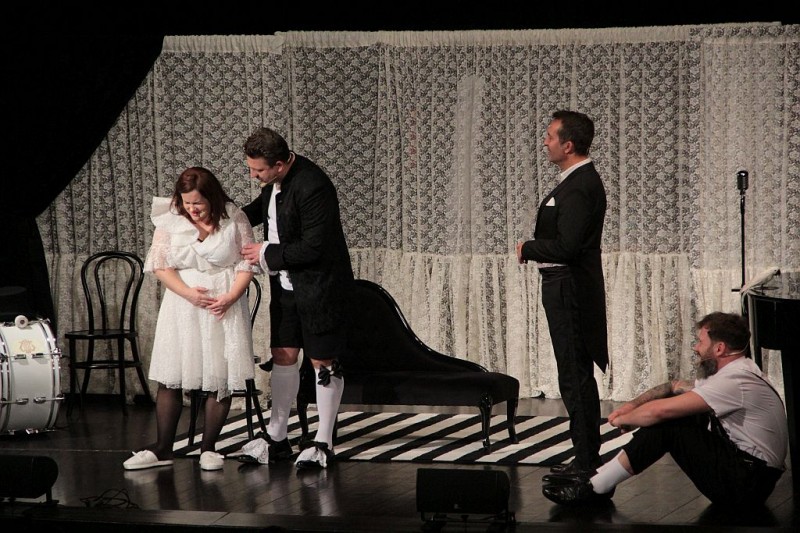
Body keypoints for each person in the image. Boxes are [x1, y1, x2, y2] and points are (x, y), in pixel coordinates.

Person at [542, 312, 788, 506]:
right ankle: (599, 479)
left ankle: (595, 487)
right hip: (751, 476)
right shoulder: (740, 371)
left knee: (671, 424)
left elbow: (658, 412)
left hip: (748, 484)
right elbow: (674, 386)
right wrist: (631, 406)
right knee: (685, 413)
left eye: (700, 342)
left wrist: (625, 419)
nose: (696, 348)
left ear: (719, 348)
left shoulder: (733, 382)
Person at [123, 167, 259, 472]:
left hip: (222, 303)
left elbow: (246, 264)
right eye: (187, 203)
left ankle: (208, 448)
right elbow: (160, 265)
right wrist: (188, 293)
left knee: (219, 376)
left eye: (198, 203)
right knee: (171, 375)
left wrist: (230, 297)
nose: (192, 209)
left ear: (212, 197)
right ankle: (163, 448)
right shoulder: (170, 219)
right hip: (183, 303)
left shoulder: (233, 217)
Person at [240, 127, 355, 469]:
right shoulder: (274, 183)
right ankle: (277, 437)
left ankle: (323, 441)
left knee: (322, 360)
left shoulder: (312, 186)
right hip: (286, 286)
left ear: (279, 164)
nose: (253, 175)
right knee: (283, 354)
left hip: (320, 286)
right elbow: (257, 211)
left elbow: (314, 247)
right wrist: (220, 215)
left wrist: (265, 252)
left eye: (258, 170)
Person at [516, 110, 608, 476]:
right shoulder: (574, 181)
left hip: (569, 288)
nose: (545, 142)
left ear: (568, 145)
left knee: (574, 375)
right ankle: (585, 457)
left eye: (550, 136)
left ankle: (586, 462)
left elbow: (568, 247)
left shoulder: (581, 185)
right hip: (562, 286)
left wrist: (528, 248)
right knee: (572, 373)